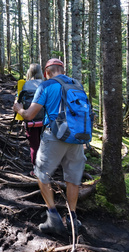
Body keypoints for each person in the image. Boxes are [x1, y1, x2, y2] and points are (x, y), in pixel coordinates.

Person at [13, 58, 86, 236]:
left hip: (54, 136)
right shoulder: (77, 85)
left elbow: (30, 115)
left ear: (47, 73)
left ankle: (53, 217)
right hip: (77, 137)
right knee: (73, 178)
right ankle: (72, 219)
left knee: (41, 173)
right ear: (63, 69)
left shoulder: (46, 86)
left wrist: (18, 109)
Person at [18, 64, 44, 172]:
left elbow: (18, 102)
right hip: (45, 120)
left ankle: (35, 167)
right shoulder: (45, 84)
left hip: (30, 120)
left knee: (34, 144)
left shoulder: (25, 85)